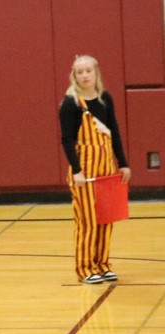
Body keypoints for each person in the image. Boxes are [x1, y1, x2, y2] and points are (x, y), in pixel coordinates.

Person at [58, 54, 131, 284]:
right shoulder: (71, 104)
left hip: (106, 167)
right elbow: (67, 140)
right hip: (85, 171)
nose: (85, 75)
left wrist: (123, 163)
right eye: (80, 72)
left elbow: (114, 132)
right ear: (74, 75)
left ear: (96, 72)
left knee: (106, 218)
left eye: (88, 71)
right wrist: (77, 171)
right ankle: (85, 268)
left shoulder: (105, 99)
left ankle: (102, 264)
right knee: (88, 220)